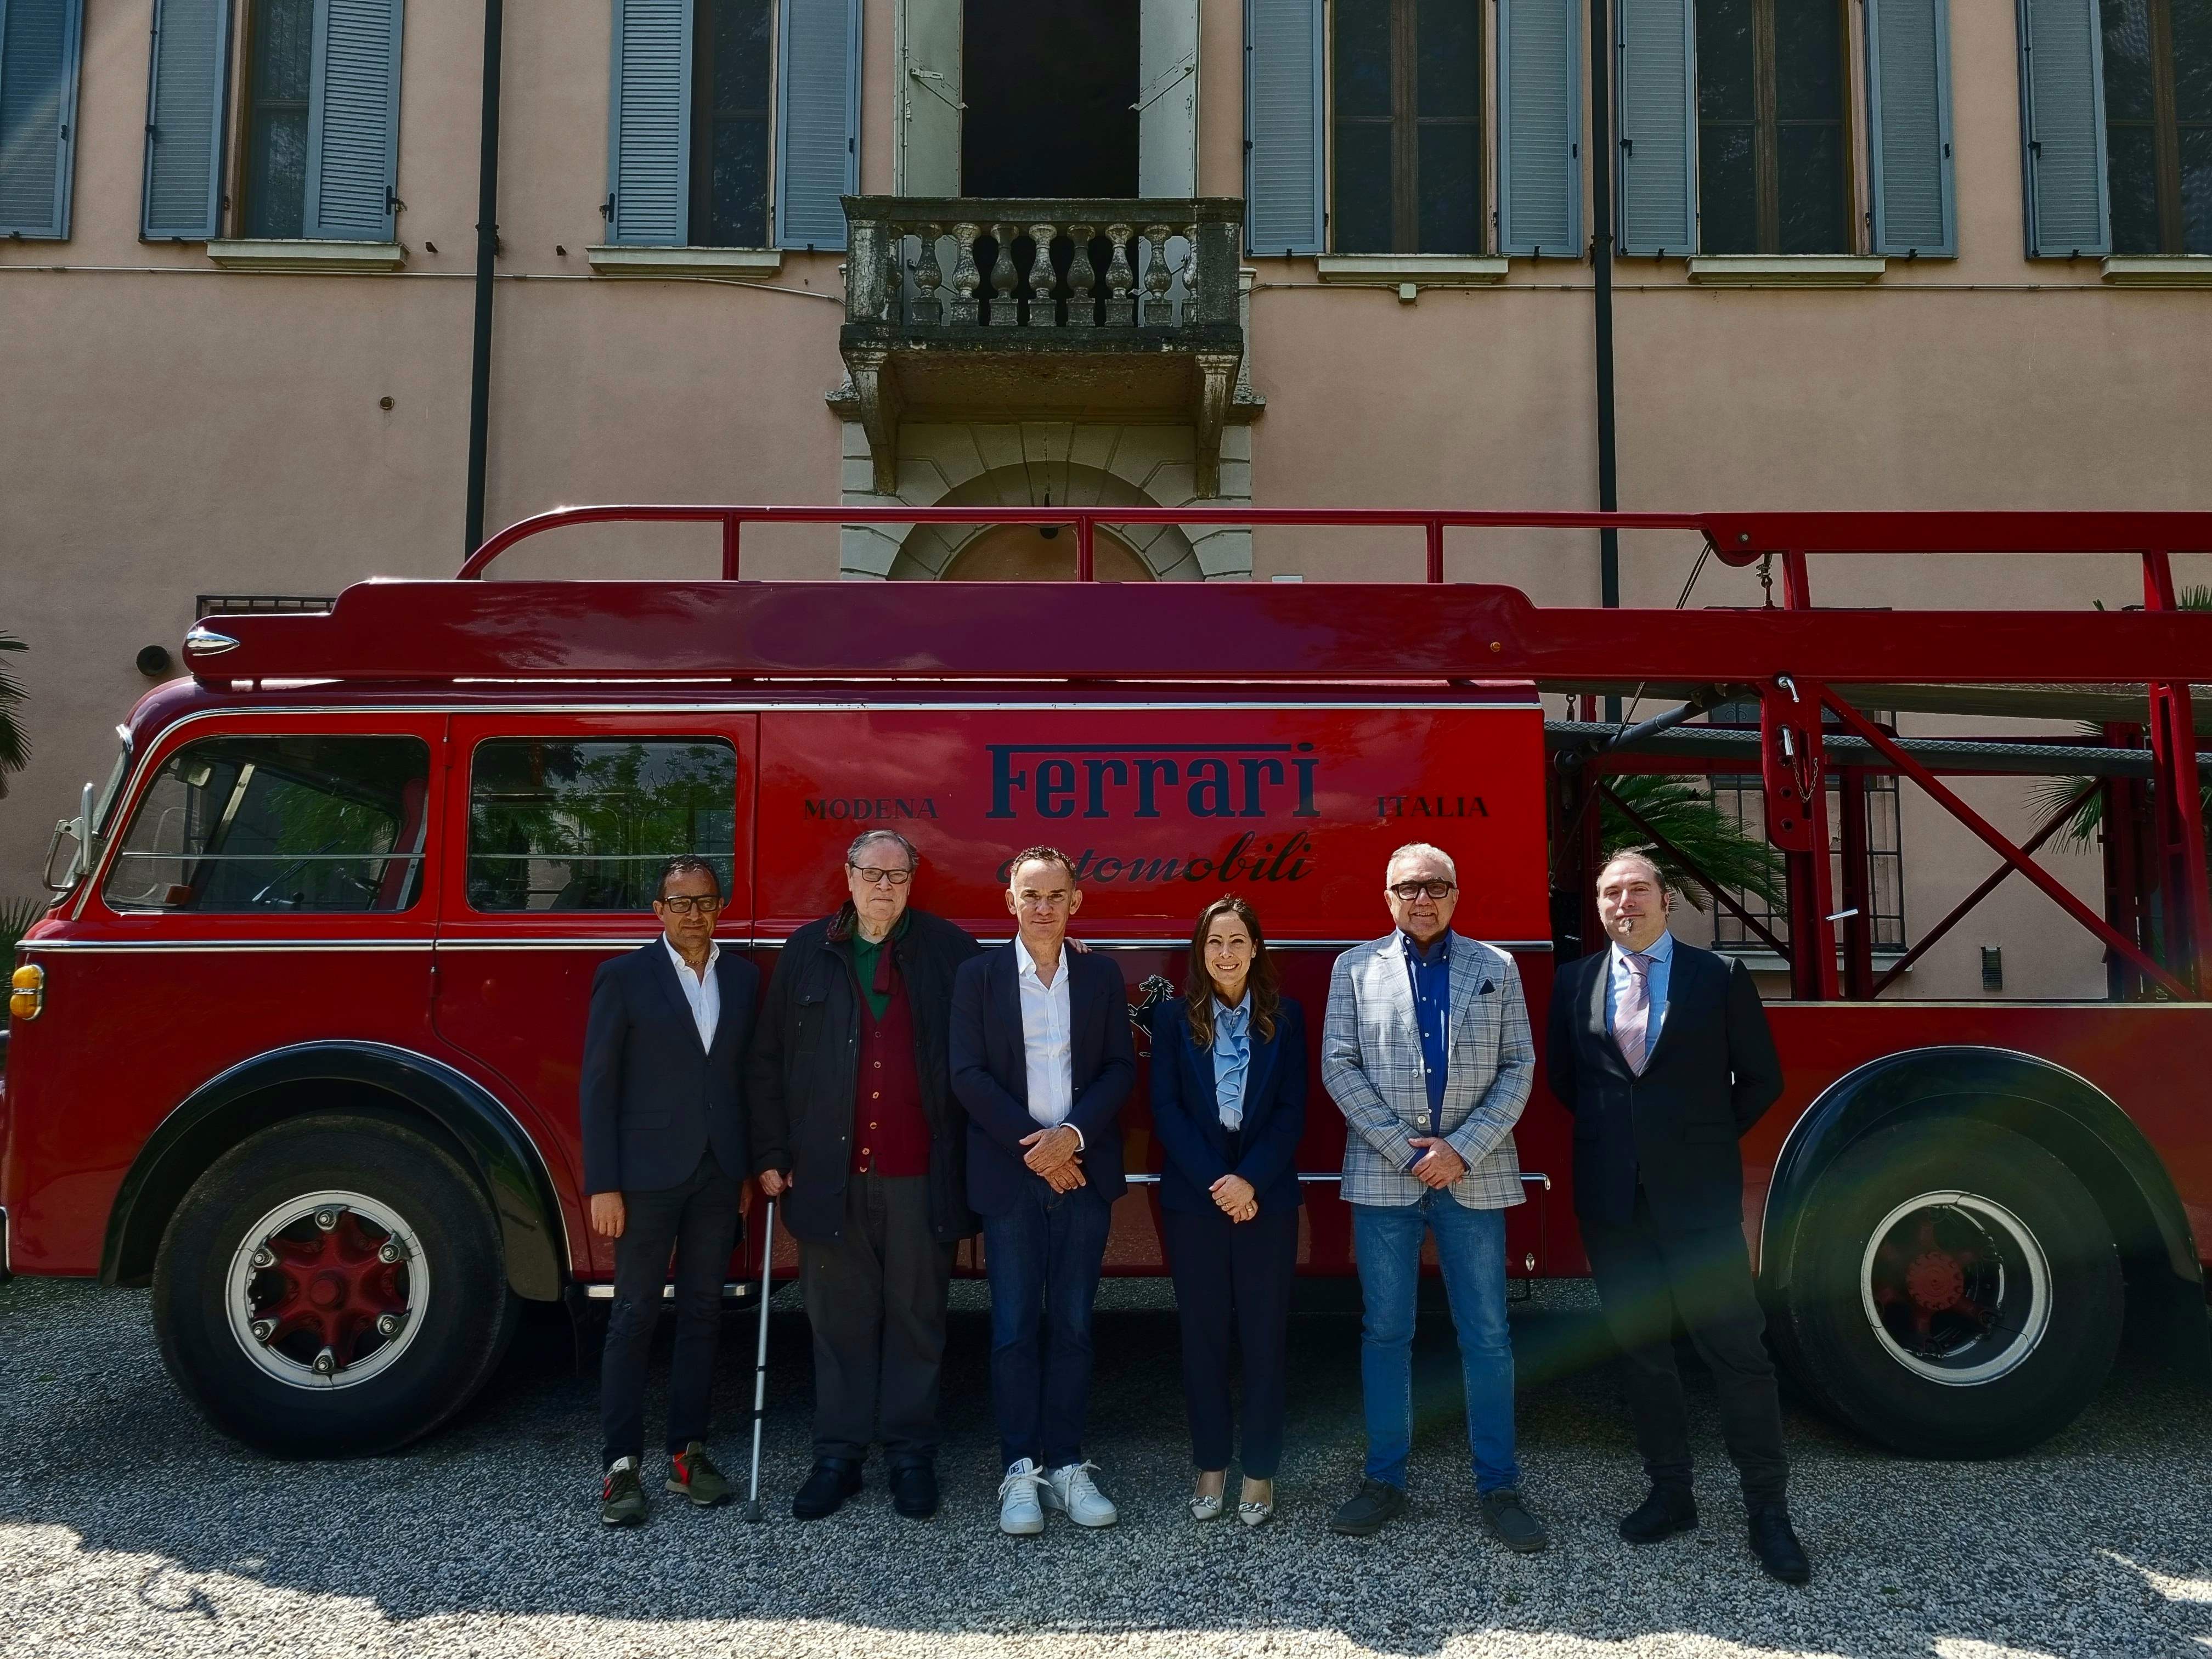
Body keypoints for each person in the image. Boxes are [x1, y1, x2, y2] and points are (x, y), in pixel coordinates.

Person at [1545, 851, 1808, 1584]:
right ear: (1598, 907)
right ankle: (1671, 1493)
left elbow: (1762, 1079)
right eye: (1610, 893)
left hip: (1697, 1203)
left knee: (1737, 1354)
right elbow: (1569, 1082)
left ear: (1666, 901)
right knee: (1643, 1353)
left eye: (1637, 889)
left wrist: (1699, 1140)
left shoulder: (1718, 976)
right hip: (1613, 1204)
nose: (1623, 903)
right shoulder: (1573, 983)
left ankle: (1768, 1510)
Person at [749, 830, 982, 1521]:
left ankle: (911, 1455)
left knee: (918, 1320)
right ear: (847, 877)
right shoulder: (807, 951)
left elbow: (1006, 1011)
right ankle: (838, 1457)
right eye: (873, 874)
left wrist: (1070, 949)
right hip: (829, 1173)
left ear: (912, 881)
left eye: (898, 875)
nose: (885, 887)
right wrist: (771, 1151)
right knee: (838, 1324)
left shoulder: (951, 951)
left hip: (922, 1174)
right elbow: (768, 1058)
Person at [1320, 842, 1547, 1551]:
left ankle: (1499, 1487)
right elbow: (1339, 1066)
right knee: (1386, 1332)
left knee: (1487, 1335)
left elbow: (1519, 1066)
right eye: (1409, 887)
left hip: (1474, 1173)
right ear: (1387, 897)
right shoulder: (1353, 968)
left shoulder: (1497, 967)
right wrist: (1408, 1151)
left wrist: (1461, 1150)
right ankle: (1383, 1480)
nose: (1423, 899)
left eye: (1436, 886)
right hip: (1384, 1176)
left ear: (1456, 894)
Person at [950, 845, 1135, 1536]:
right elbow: (967, 1075)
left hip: (1083, 1173)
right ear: (1011, 901)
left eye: (1057, 895)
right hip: (1013, 1175)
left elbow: (1119, 1068)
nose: (1044, 907)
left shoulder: (1100, 975)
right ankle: (1020, 1470)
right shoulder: (978, 976)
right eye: (1031, 895)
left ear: (1076, 901)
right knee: (1013, 1327)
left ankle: (1067, 1463)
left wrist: (1073, 1137)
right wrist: (1039, 1149)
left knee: (1075, 1325)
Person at [581, 854, 759, 1527]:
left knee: (704, 1312)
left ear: (720, 909)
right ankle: (620, 1466)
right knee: (634, 1315)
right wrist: (604, 1185)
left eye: (705, 901)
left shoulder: (742, 978)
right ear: (658, 911)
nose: (694, 914)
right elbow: (599, 1087)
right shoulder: (624, 977)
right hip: (645, 1178)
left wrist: (746, 1169)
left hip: (719, 1173)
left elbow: (745, 1078)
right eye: (680, 902)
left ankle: (688, 1453)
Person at [1148, 895, 1306, 1528]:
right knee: (1203, 1338)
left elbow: (1293, 1112)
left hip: (1266, 1199)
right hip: (1197, 1200)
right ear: (1200, 951)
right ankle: (1211, 1463)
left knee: (1266, 1338)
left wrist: (1249, 1181)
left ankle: (1261, 1470)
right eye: (1214, 942)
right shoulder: (1171, 1019)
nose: (1226, 953)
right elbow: (1166, 1111)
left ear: (1256, 948)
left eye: (1238, 940)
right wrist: (1220, 1183)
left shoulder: (1286, 1019)